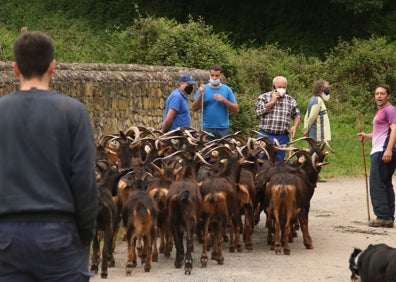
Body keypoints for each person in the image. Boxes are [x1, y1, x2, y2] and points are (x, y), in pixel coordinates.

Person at [0, 31, 98, 281]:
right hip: (58, 232)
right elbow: (84, 181)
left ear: (15, 69)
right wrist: (84, 235)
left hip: (6, 235)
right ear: (52, 67)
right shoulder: (73, 112)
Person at [357, 84, 396, 228]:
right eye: (377, 93)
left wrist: (389, 150)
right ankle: (388, 216)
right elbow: (382, 133)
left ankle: (383, 216)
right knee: (385, 183)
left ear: (388, 96)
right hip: (381, 149)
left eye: (382, 93)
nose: (379, 96)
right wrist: (367, 136)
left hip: (383, 150)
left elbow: (394, 130)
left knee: (377, 183)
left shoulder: (390, 110)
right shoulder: (381, 111)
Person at [255, 75, 301, 162]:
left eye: (284, 87)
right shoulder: (264, 97)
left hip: (282, 136)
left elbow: (297, 115)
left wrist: (295, 126)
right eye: (279, 87)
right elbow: (258, 111)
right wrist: (272, 102)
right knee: (262, 160)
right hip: (265, 135)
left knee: (278, 162)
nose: (282, 89)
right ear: (273, 87)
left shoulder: (290, 100)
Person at [191, 64, 239, 140]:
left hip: (223, 129)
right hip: (207, 128)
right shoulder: (203, 88)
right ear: (209, 75)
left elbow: (235, 109)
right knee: (207, 151)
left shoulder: (227, 90)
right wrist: (201, 95)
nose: (214, 78)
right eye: (212, 75)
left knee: (223, 151)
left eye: (217, 76)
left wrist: (224, 100)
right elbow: (194, 108)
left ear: (221, 76)